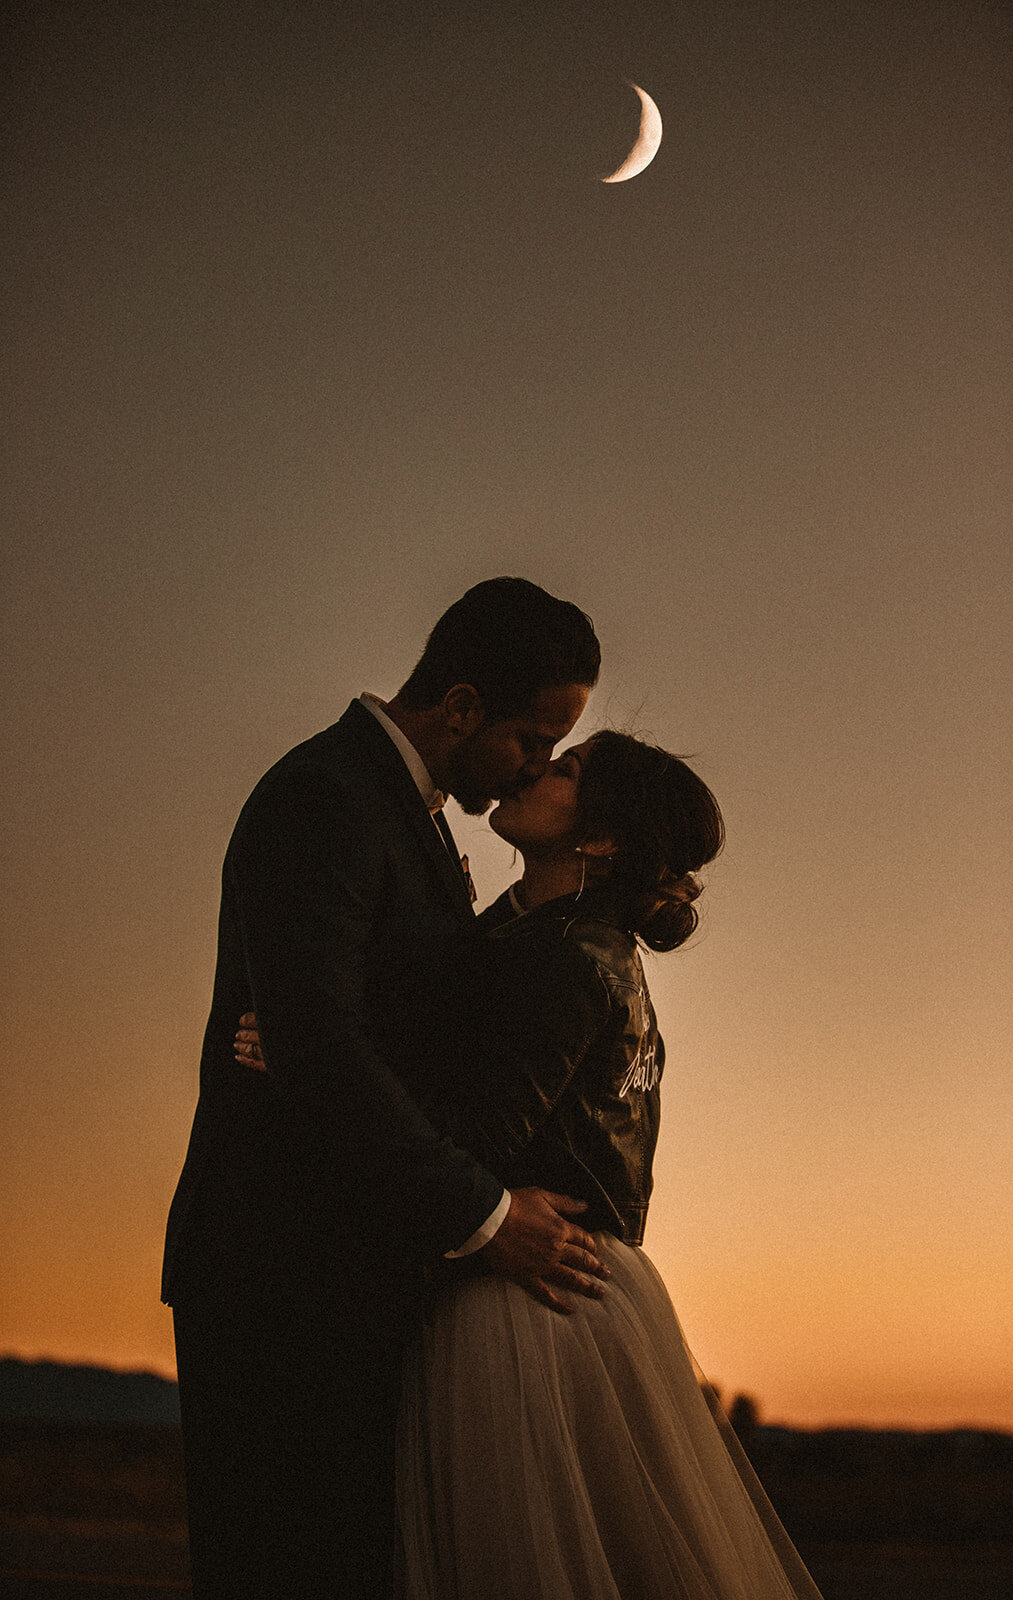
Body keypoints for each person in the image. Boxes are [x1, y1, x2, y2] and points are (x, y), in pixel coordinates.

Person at [239, 730, 825, 1599]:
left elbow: (476, 1143)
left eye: (567, 770)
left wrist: (311, 1068)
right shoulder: (557, 940)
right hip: (583, 1291)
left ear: (599, 839)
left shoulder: (565, 959)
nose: (533, 768)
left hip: (528, 1303)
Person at [162, 578, 606, 1600]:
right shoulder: (326, 795)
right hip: (280, 1279)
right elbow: (318, 1045)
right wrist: (489, 1217)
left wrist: (346, 1048)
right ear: (458, 706)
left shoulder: (403, 811)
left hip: (352, 1275)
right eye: (532, 739)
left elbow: (354, 1035)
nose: (536, 765)